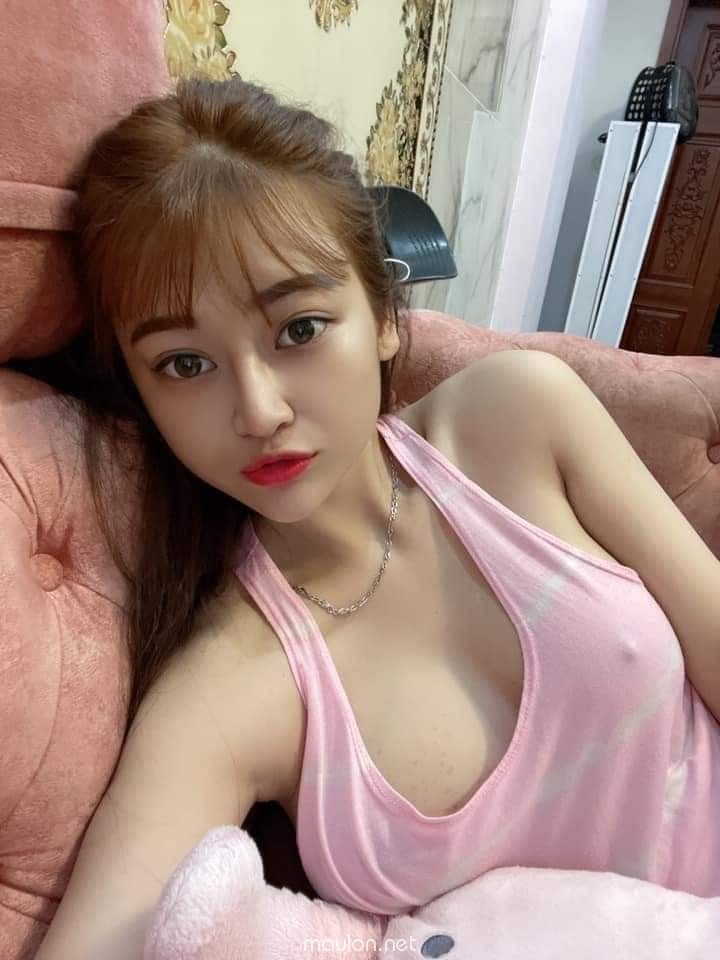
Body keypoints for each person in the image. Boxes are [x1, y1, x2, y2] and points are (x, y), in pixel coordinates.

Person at [32, 77, 701, 959]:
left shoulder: (519, 418)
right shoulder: (229, 693)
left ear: (384, 315)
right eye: (185, 364)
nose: (259, 410)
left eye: (298, 329)